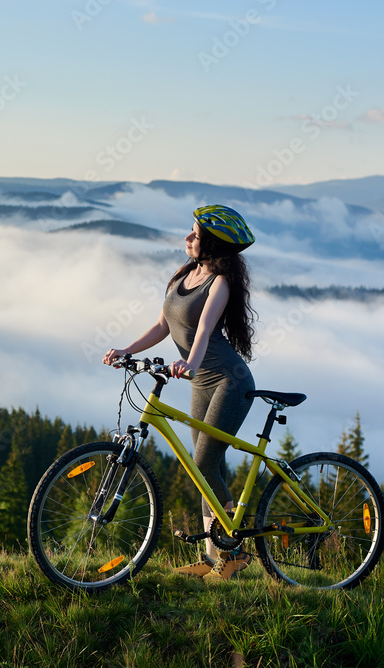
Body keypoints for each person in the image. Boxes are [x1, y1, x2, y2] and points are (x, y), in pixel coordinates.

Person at [102, 204, 257, 581]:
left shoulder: (219, 282)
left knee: (203, 464)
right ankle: (213, 558)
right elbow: (162, 325)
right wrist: (127, 350)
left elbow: (203, 331)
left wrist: (189, 363)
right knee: (206, 468)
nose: (187, 238)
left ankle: (233, 553)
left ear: (213, 245)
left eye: (196, 235)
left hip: (228, 381)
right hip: (200, 381)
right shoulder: (183, 275)